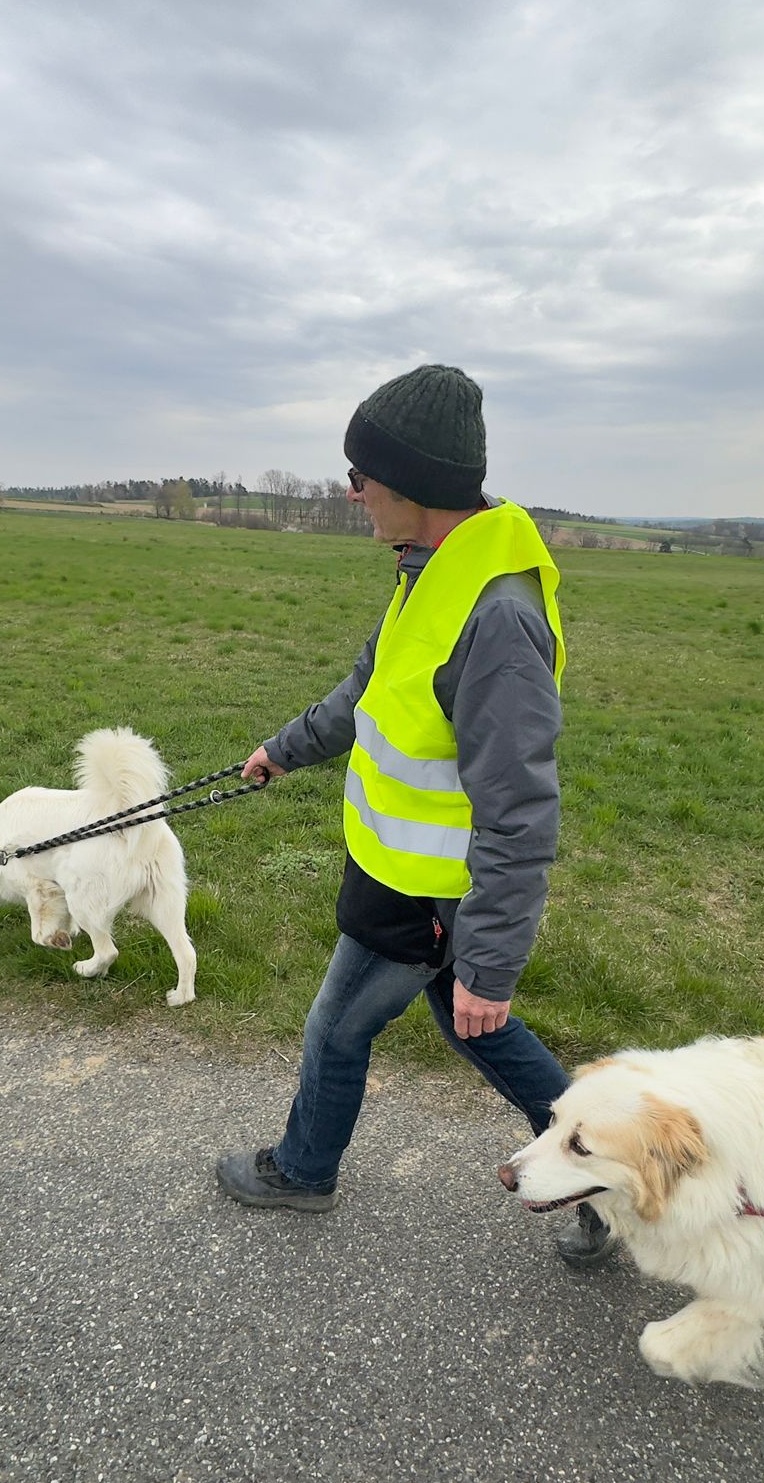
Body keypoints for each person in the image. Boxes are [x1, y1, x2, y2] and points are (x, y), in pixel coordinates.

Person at [215, 364, 613, 1270]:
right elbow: (371, 689)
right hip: (401, 875)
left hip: (430, 893)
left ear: (412, 484)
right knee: (476, 1027)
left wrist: (493, 963)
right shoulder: (428, 572)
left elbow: (519, 811)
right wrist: (284, 748)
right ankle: (609, 1172)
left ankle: (304, 1170)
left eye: (360, 475)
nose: (350, 491)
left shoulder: (498, 617)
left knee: (341, 1024)